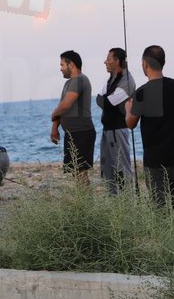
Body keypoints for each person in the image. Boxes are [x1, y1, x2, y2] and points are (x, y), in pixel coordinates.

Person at [124, 46, 174, 223]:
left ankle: (165, 239)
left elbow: (130, 123)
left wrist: (128, 108)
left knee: (159, 208)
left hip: (156, 160)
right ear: (163, 62)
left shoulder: (142, 92)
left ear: (145, 64)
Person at [50, 50, 95, 182]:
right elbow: (61, 106)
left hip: (82, 132)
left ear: (71, 65)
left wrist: (52, 114)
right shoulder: (68, 83)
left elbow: (65, 105)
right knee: (75, 172)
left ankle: (85, 196)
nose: (60, 69)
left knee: (80, 172)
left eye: (62, 65)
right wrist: (54, 128)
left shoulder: (80, 80)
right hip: (71, 133)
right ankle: (81, 196)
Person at [95, 47, 136, 194]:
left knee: (121, 169)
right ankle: (114, 202)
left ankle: (127, 201)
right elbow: (98, 99)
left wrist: (105, 100)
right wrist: (105, 100)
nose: (105, 62)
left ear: (117, 61)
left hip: (117, 130)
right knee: (107, 169)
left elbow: (106, 103)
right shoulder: (112, 79)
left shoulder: (127, 81)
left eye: (108, 59)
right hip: (108, 130)